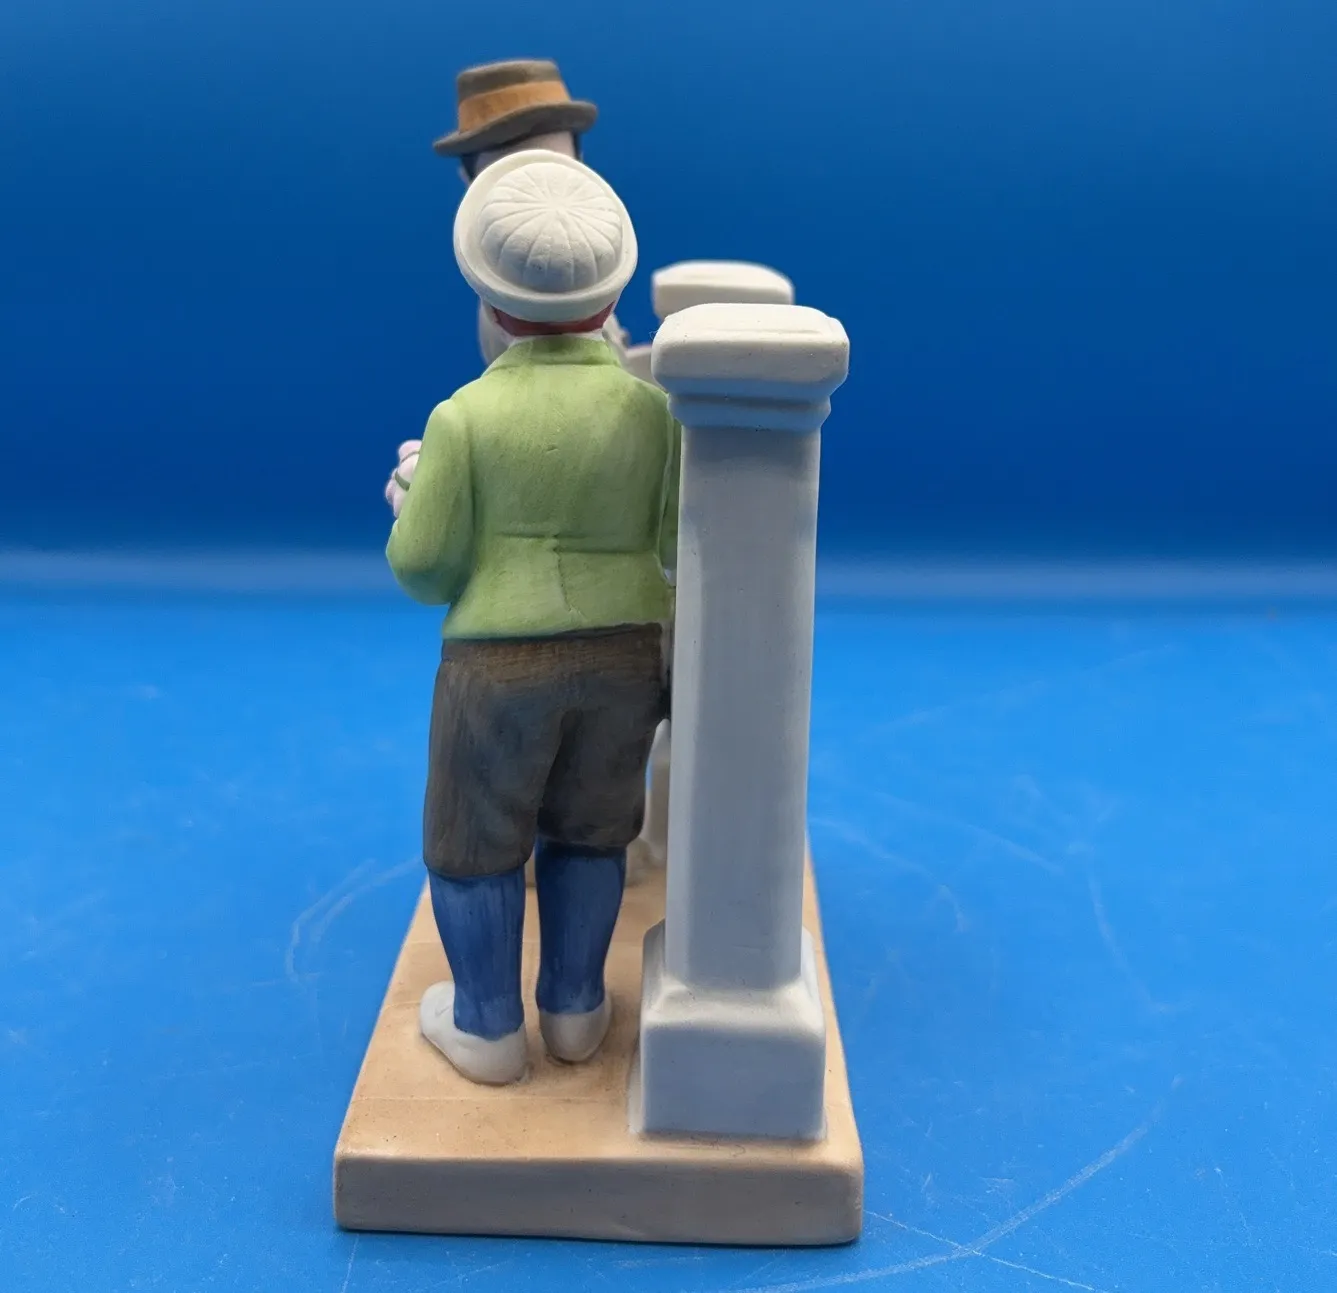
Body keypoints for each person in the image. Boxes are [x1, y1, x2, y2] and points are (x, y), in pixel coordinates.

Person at [386, 152, 680, 1086]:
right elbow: (676, 536)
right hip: (628, 653)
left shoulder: (463, 419)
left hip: (498, 659)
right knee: (592, 831)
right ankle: (575, 1005)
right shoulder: (655, 414)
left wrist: (409, 500)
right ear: (611, 297)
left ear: (492, 304)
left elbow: (425, 571)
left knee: (473, 845)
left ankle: (486, 1023)